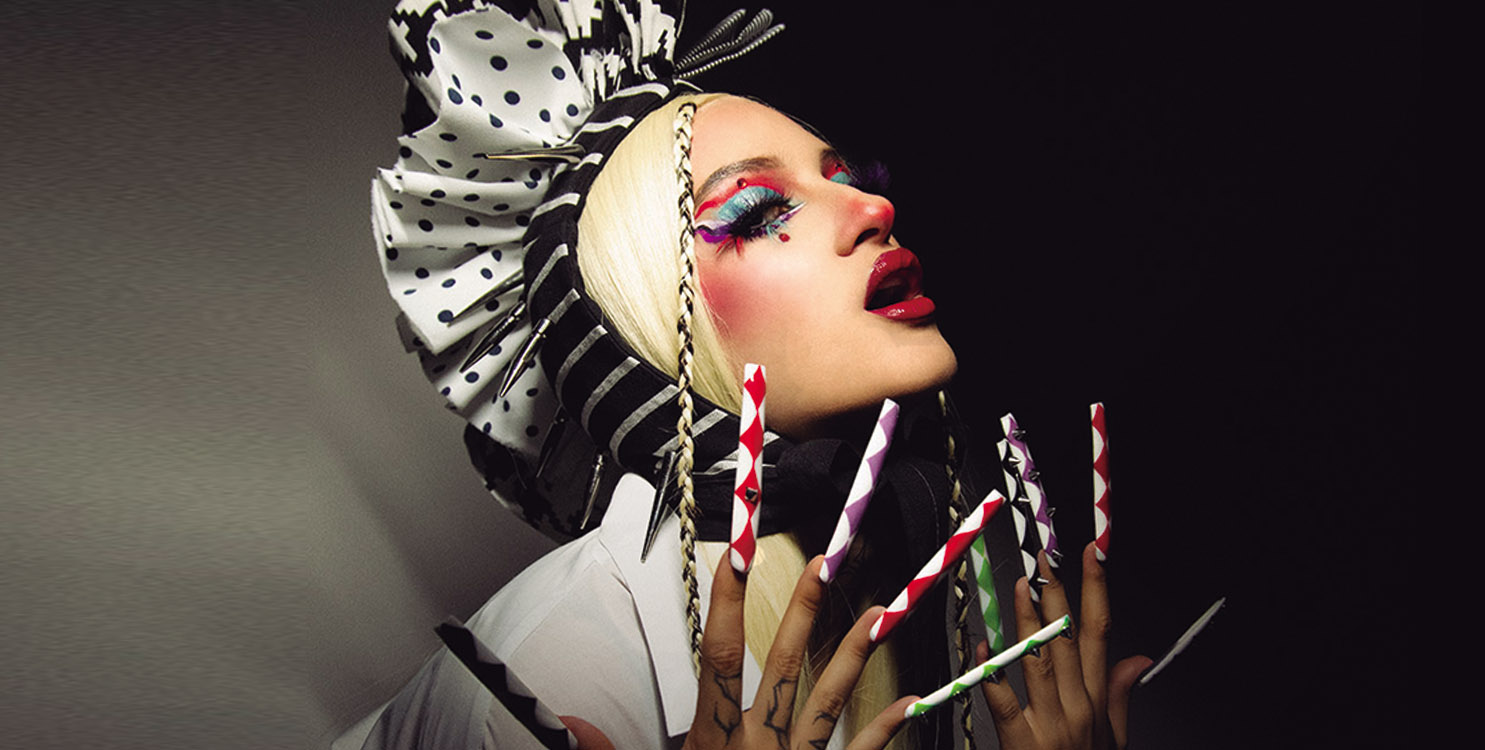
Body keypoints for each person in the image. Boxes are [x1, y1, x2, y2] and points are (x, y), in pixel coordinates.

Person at [342, 3, 1147, 749]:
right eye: (757, 213)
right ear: (652, 330)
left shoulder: (886, 573)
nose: (873, 209)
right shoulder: (558, 671)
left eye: (846, 178)